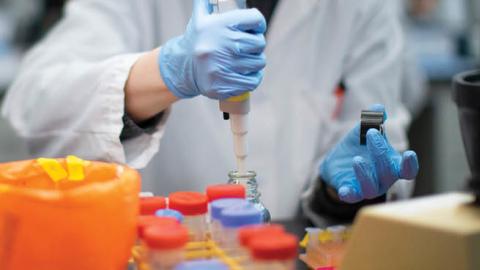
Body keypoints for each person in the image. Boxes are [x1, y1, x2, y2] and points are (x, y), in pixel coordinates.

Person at [2, 0, 419, 223]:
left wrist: (339, 196)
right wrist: (163, 72)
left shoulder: (364, 7)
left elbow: (375, 133)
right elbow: (32, 109)